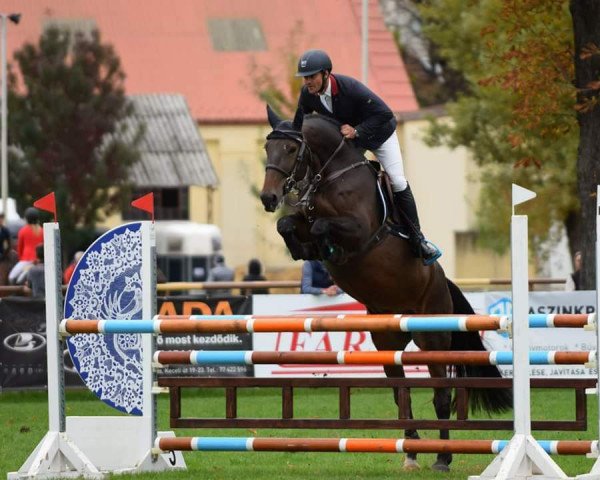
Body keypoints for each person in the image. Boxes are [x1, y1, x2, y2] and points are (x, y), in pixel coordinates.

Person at [295, 49, 441, 265]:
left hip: (379, 134)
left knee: (397, 181)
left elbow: (385, 114)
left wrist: (358, 131)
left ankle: (417, 239)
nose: (308, 82)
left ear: (326, 74)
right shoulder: (308, 94)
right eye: (305, 77)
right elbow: (300, 122)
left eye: (312, 76)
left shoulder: (350, 88)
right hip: (351, 141)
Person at [9, 207, 44, 285]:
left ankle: (15, 293)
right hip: (40, 260)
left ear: (27, 218)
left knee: (11, 277)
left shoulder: (23, 230)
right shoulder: (42, 230)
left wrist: (21, 259)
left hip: (26, 260)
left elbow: (19, 248)